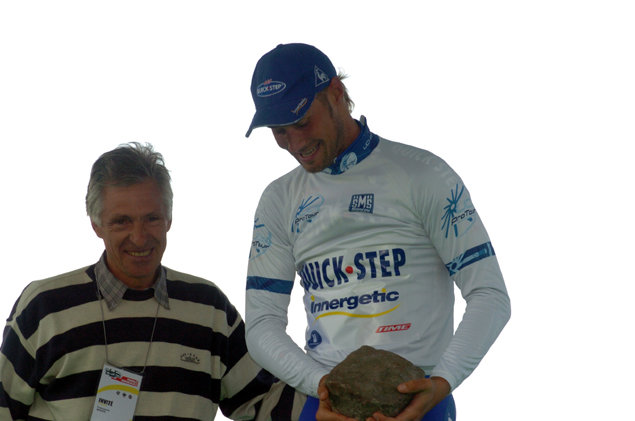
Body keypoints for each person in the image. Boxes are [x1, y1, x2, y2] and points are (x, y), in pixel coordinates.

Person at [243, 43, 511, 421]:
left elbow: (490, 295)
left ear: (336, 93)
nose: (295, 143)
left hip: (419, 402)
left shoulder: (424, 175)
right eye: (279, 131)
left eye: (302, 122)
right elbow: (260, 325)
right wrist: (319, 384)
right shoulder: (278, 200)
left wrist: (443, 382)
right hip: (323, 403)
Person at [0, 143, 305, 420]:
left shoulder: (209, 309)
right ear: (96, 224)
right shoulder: (43, 307)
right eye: (122, 221)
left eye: (152, 218)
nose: (139, 236)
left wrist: (331, 392)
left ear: (169, 219)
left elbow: (265, 404)